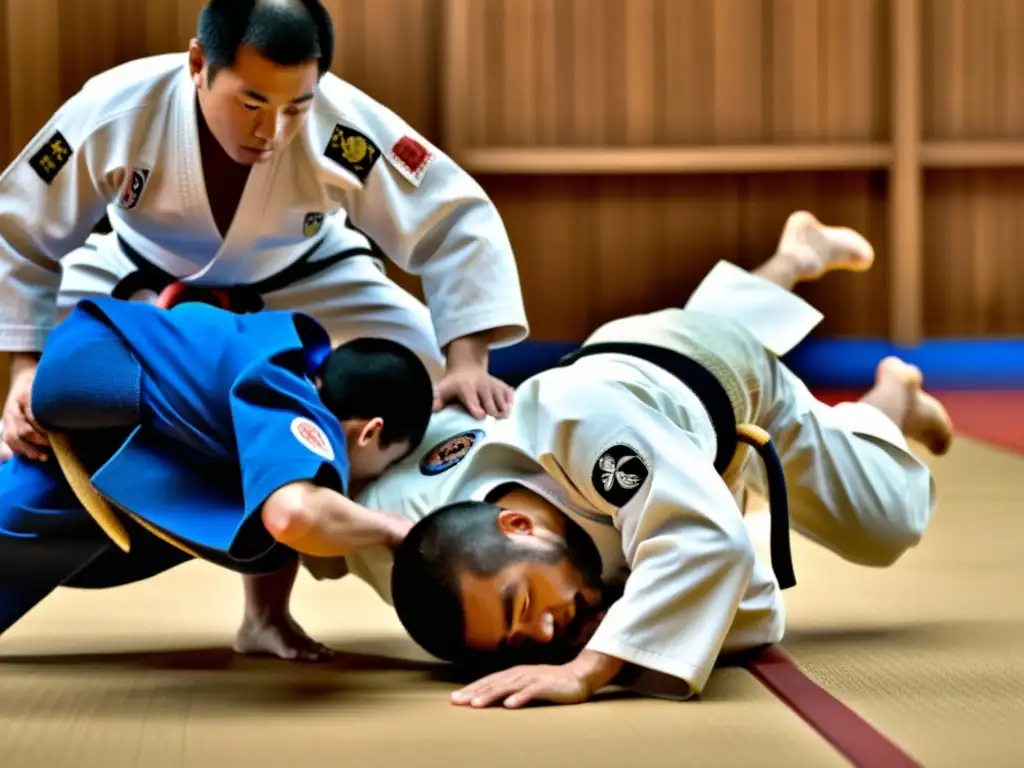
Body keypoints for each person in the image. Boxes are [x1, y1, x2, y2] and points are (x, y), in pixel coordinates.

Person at [0, 0, 525, 656]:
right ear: (199, 64)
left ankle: (469, 566)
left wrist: (468, 357)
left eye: (296, 106)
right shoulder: (117, 109)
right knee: (33, 417)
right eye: (251, 102)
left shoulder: (341, 123)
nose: (272, 129)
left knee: (423, 385)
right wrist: (23, 369)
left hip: (308, 272)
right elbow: (20, 228)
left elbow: (449, 218)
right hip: (133, 273)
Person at [304, 210, 953, 707]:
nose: (544, 633)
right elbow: (304, 512)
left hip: (728, 386)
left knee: (885, 526)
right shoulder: (414, 526)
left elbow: (715, 545)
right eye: (516, 643)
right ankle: (794, 255)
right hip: (646, 393)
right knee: (676, 440)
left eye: (521, 605)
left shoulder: (577, 423)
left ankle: (890, 396)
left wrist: (589, 669)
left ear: (517, 525)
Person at [0, 295, 434, 640]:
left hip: (92, 361)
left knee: (256, 490)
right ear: (369, 432)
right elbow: (294, 514)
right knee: (282, 517)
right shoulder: (298, 400)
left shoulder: (287, 349)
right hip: (101, 382)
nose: (371, 478)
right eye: (384, 465)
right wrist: (392, 529)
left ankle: (263, 622)